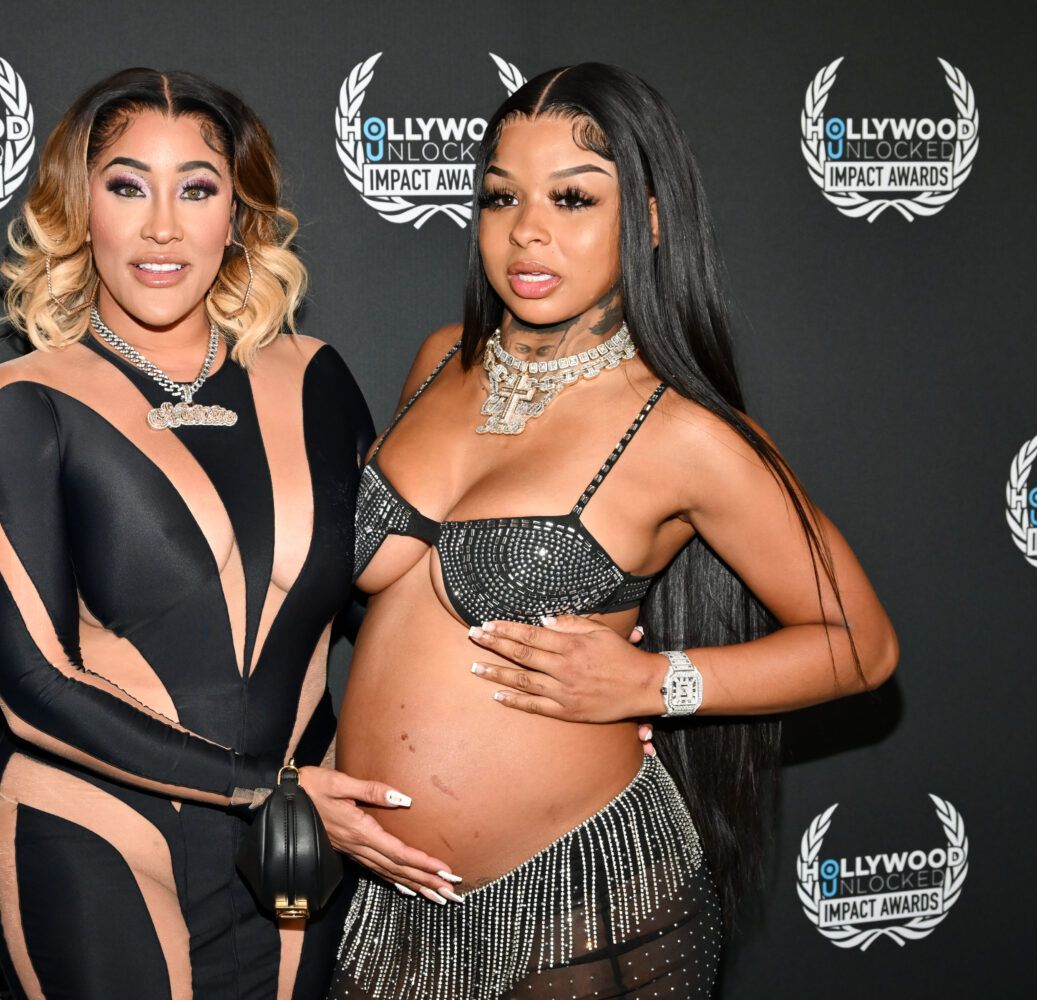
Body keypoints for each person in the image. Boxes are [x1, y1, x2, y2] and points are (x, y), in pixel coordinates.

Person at [330, 63, 899, 999]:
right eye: (502, 196)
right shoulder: (440, 361)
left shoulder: (682, 430)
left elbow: (861, 645)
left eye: (574, 198)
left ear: (652, 220)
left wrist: (657, 682)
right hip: (393, 908)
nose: (528, 231)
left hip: (587, 912)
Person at [0, 68, 447, 999]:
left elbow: (402, 591)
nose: (162, 228)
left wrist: (566, 701)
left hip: (296, 845)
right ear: (78, 209)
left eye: (196, 188)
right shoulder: (26, 402)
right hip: (98, 831)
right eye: (126, 186)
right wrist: (264, 785)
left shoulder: (315, 377)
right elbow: (31, 688)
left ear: (238, 214)